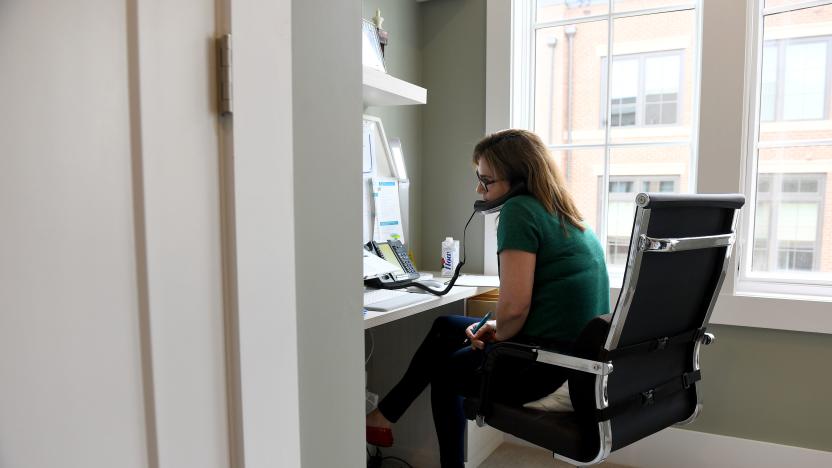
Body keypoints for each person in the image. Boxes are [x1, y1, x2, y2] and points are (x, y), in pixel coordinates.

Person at [365, 129, 610, 467]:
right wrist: (498, 326)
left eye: (487, 181)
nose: (479, 190)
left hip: (545, 365)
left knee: (447, 371)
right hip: (570, 355)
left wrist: (501, 330)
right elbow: (530, 306)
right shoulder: (560, 210)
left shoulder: (520, 210)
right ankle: (383, 417)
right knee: (446, 326)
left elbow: (516, 307)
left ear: (519, 180)